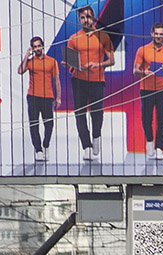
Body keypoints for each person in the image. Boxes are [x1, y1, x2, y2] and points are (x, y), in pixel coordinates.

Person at [64, 5, 114, 162]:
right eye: (83, 18)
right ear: (79, 20)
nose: (86, 20)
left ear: (93, 18)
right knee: (79, 114)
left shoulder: (103, 36)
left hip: (97, 81)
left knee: (97, 113)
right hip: (78, 80)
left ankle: (96, 137)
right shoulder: (73, 39)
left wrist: (97, 64)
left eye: (88, 17)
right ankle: (86, 146)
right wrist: (69, 64)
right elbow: (71, 63)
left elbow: (111, 60)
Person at [133, 22, 163, 160]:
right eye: (156, 34)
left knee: (162, 120)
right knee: (146, 119)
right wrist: (144, 73)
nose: (158, 37)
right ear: (152, 34)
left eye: (161, 34)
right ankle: (150, 141)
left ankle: (159, 148)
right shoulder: (142, 50)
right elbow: (135, 71)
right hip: (146, 89)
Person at [17, 35, 60, 163]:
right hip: (33, 97)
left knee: (49, 125)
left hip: (47, 97)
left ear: (42, 46)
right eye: (34, 47)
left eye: (38, 46)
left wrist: (58, 98)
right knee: (34, 124)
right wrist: (26, 56)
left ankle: (45, 145)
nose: (37, 48)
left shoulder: (52, 61)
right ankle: (38, 150)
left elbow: (56, 80)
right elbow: (20, 71)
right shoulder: (30, 62)